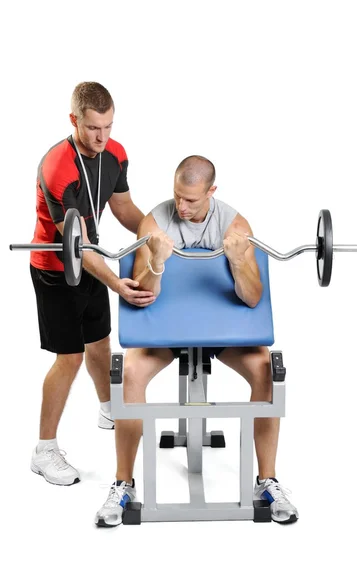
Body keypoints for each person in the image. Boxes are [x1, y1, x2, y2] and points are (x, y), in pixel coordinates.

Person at [95, 155, 299, 526]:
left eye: (192, 200)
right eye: (177, 197)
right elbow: (143, 295)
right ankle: (123, 484)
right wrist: (156, 261)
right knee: (131, 376)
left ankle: (267, 481)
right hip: (165, 331)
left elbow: (252, 298)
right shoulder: (154, 221)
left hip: (221, 331)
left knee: (265, 369)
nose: (182, 207)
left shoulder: (235, 224)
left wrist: (238, 263)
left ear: (211, 193)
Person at [30, 82, 155, 486]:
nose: (103, 137)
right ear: (74, 121)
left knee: (100, 342)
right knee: (70, 358)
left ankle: (108, 408)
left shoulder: (114, 153)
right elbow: (77, 246)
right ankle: (44, 450)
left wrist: (157, 235)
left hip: (93, 259)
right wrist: (118, 284)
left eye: (109, 126)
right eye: (93, 128)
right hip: (56, 267)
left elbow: (122, 207)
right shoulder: (57, 168)